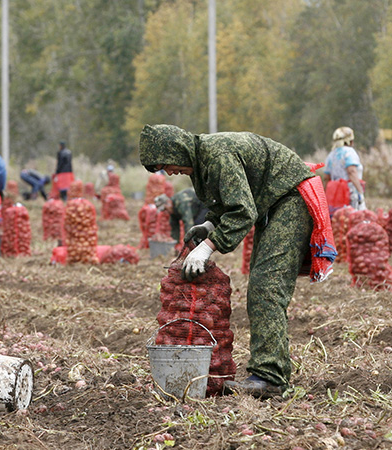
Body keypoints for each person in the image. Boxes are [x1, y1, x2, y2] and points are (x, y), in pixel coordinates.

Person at [140, 124, 336, 398]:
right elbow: (229, 201)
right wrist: (210, 224)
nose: (168, 172)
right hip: (272, 203)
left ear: (178, 149)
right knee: (262, 284)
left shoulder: (217, 155)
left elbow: (243, 212)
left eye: (167, 164)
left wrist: (209, 247)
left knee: (266, 286)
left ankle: (271, 378)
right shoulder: (201, 162)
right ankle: (269, 372)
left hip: (289, 198)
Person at [324, 126, 366, 215]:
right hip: (349, 191)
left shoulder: (331, 154)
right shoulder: (349, 152)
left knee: (338, 219)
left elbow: (326, 177)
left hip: (335, 194)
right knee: (353, 217)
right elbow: (351, 171)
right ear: (350, 140)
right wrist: (360, 192)